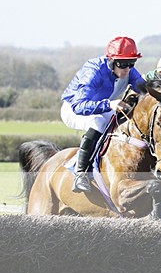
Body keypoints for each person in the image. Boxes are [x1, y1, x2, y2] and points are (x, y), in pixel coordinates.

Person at [61, 36, 145, 192]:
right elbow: (78, 106)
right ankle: (80, 174)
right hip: (73, 109)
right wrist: (108, 104)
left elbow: (145, 90)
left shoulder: (128, 70)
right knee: (98, 122)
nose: (127, 69)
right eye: (123, 64)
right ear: (111, 61)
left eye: (131, 64)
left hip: (104, 107)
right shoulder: (93, 72)